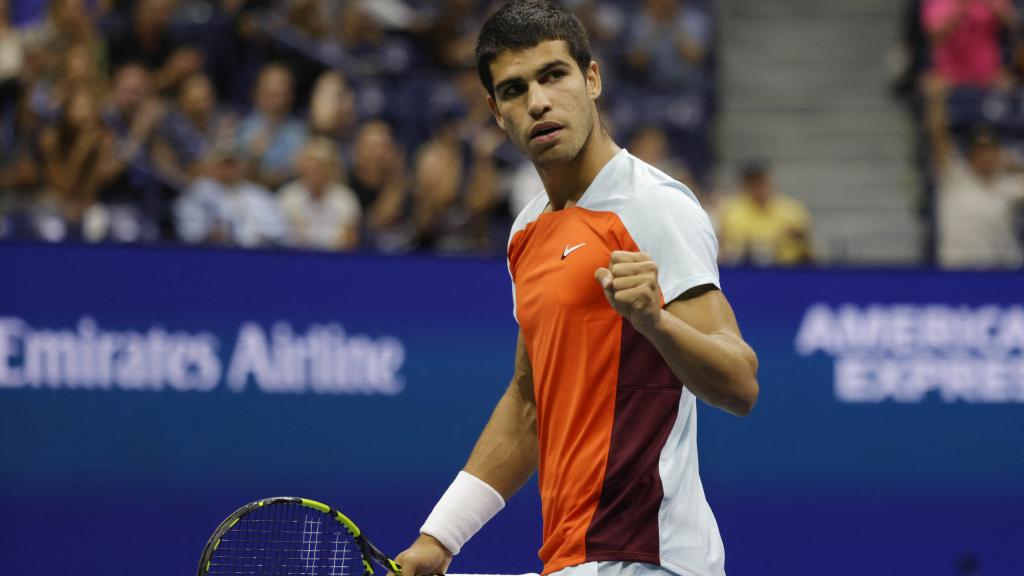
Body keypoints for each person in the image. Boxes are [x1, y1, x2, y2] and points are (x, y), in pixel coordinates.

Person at [394, 4, 759, 576]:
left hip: (646, 556)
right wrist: (439, 538)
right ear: (496, 112)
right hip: (578, 558)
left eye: (553, 75)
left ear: (591, 79)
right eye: (514, 90)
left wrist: (656, 323)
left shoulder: (654, 206)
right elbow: (527, 403)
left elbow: (741, 384)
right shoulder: (526, 231)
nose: (537, 101)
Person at [924, 78, 1024, 268]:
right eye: (980, 150)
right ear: (970, 154)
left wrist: (1015, 165)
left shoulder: (1009, 183)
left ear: (998, 152)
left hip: (998, 273)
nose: (985, 156)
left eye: (990, 150)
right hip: (957, 272)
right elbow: (937, 136)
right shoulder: (954, 175)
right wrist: (936, 101)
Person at [715, 162, 814, 266]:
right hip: (745, 271)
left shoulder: (792, 211)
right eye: (752, 183)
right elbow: (723, 249)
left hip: (787, 269)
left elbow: (810, 250)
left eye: (761, 182)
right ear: (744, 185)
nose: (758, 188)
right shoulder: (731, 212)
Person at [278, 137, 361, 251]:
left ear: (331, 168)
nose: (314, 169)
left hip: (335, 262)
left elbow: (348, 240)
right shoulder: (288, 197)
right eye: (309, 163)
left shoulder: (345, 198)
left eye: (320, 164)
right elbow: (285, 239)